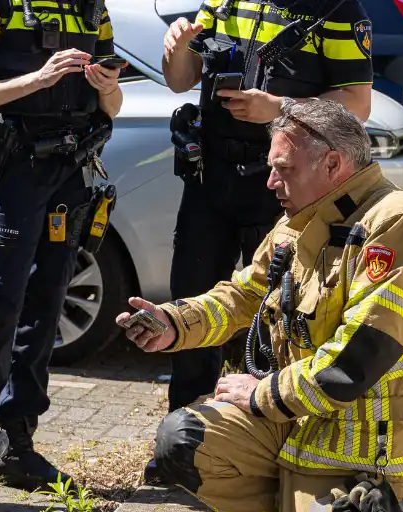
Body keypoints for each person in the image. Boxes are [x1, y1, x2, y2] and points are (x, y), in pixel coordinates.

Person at [121, 99, 403, 512]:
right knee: (184, 441)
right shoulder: (299, 224)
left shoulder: (400, 222)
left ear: (333, 166)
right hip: (297, 428)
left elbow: (354, 364)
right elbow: (241, 299)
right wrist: (173, 323)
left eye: (283, 169)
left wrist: (261, 395)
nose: (270, 183)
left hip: (358, 461)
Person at [0, 0, 124, 512]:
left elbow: (109, 107)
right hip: (15, 172)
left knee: (47, 307)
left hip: (71, 172)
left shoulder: (93, 9)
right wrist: (39, 79)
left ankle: (18, 448)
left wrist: (106, 86)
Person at [160, 0, 374, 413]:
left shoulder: (339, 9)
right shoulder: (224, 2)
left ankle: (262, 435)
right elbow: (180, 79)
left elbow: (357, 103)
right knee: (192, 298)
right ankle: (185, 435)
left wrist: (279, 109)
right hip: (210, 179)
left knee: (277, 314)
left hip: (282, 187)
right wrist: (178, 48)